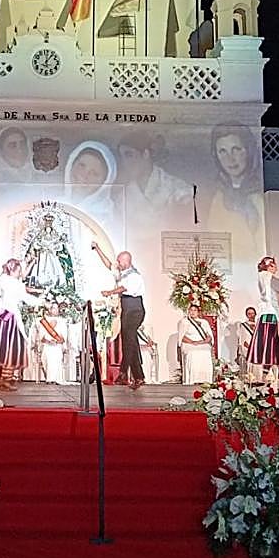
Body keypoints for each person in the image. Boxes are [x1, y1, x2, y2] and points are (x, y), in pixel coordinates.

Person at [92, 243, 148, 389]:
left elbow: (125, 288)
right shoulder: (123, 274)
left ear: (126, 261)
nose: (117, 263)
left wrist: (110, 292)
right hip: (127, 309)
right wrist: (98, 249)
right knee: (131, 342)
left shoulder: (134, 275)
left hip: (135, 309)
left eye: (119, 261)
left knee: (129, 341)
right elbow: (109, 264)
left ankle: (123, 372)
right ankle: (139, 377)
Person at [204, 125, 264, 252]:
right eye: (223, 151)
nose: (230, 159)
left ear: (248, 150)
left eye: (236, 149)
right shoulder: (214, 196)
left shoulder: (261, 195)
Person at [0, 259, 43, 390]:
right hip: (10, 316)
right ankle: (6, 378)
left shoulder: (3, 279)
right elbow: (26, 298)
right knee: (12, 347)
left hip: (2, 315)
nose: (20, 273)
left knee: (4, 346)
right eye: (18, 270)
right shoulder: (14, 283)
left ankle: (1, 376)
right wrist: (41, 301)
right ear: (13, 270)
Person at [116, 130, 191, 218]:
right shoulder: (122, 198)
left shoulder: (178, 189)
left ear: (145, 154)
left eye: (129, 155)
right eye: (122, 156)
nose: (125, 162)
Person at [248, 256, 279, 382]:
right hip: (273, 315)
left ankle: (267, 377)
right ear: (269, 266)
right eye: (273, 265)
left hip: (265, 316)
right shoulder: (270, 278)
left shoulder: (261, 277)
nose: (275, 268)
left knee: (268, 350)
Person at [64, 141, 119, 223]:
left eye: (94, 173)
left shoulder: (107, 217)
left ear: (104, 183)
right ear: (71, 164)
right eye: (81, 165)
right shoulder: (53, 204)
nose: (84, 175)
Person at [178, 304, 214, 384]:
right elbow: (182, 337)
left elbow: (209, 336)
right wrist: (193, 342)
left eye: (195, 310)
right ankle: (192, 379)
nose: (193, 312)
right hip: (189, 343)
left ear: (198, 312)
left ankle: (206, 379)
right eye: (191, 310)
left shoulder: (204, 322)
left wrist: (202, 342)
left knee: (206, 351)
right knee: (193, 353)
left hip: (202, 343)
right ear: (188, 311)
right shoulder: (184, 322)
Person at [37, 303, 69, 384]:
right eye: (53, 308)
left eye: (56, 308)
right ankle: (49, 378)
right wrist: (48, 341)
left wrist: (58, 341)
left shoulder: (62, 321)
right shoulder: (44, 321)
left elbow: (64, 335)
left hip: (57, 345)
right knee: (47, 360)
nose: (55, 310)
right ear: (49, 310)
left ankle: (55, 379)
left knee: (56, 360)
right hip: (47, 345)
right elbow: (41, 336)